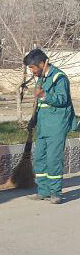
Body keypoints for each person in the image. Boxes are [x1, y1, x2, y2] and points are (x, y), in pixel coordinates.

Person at [24, 49, 77, 204]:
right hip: (43, 125)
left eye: (33, 68)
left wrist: (43, 95)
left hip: (57, 125)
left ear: (42, 64)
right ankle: (43, 191)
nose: (32, 71)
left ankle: (55, 192)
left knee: (53, 159)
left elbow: (62, 99)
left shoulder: (59, 78)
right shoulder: (41, 77)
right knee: (40, 157)